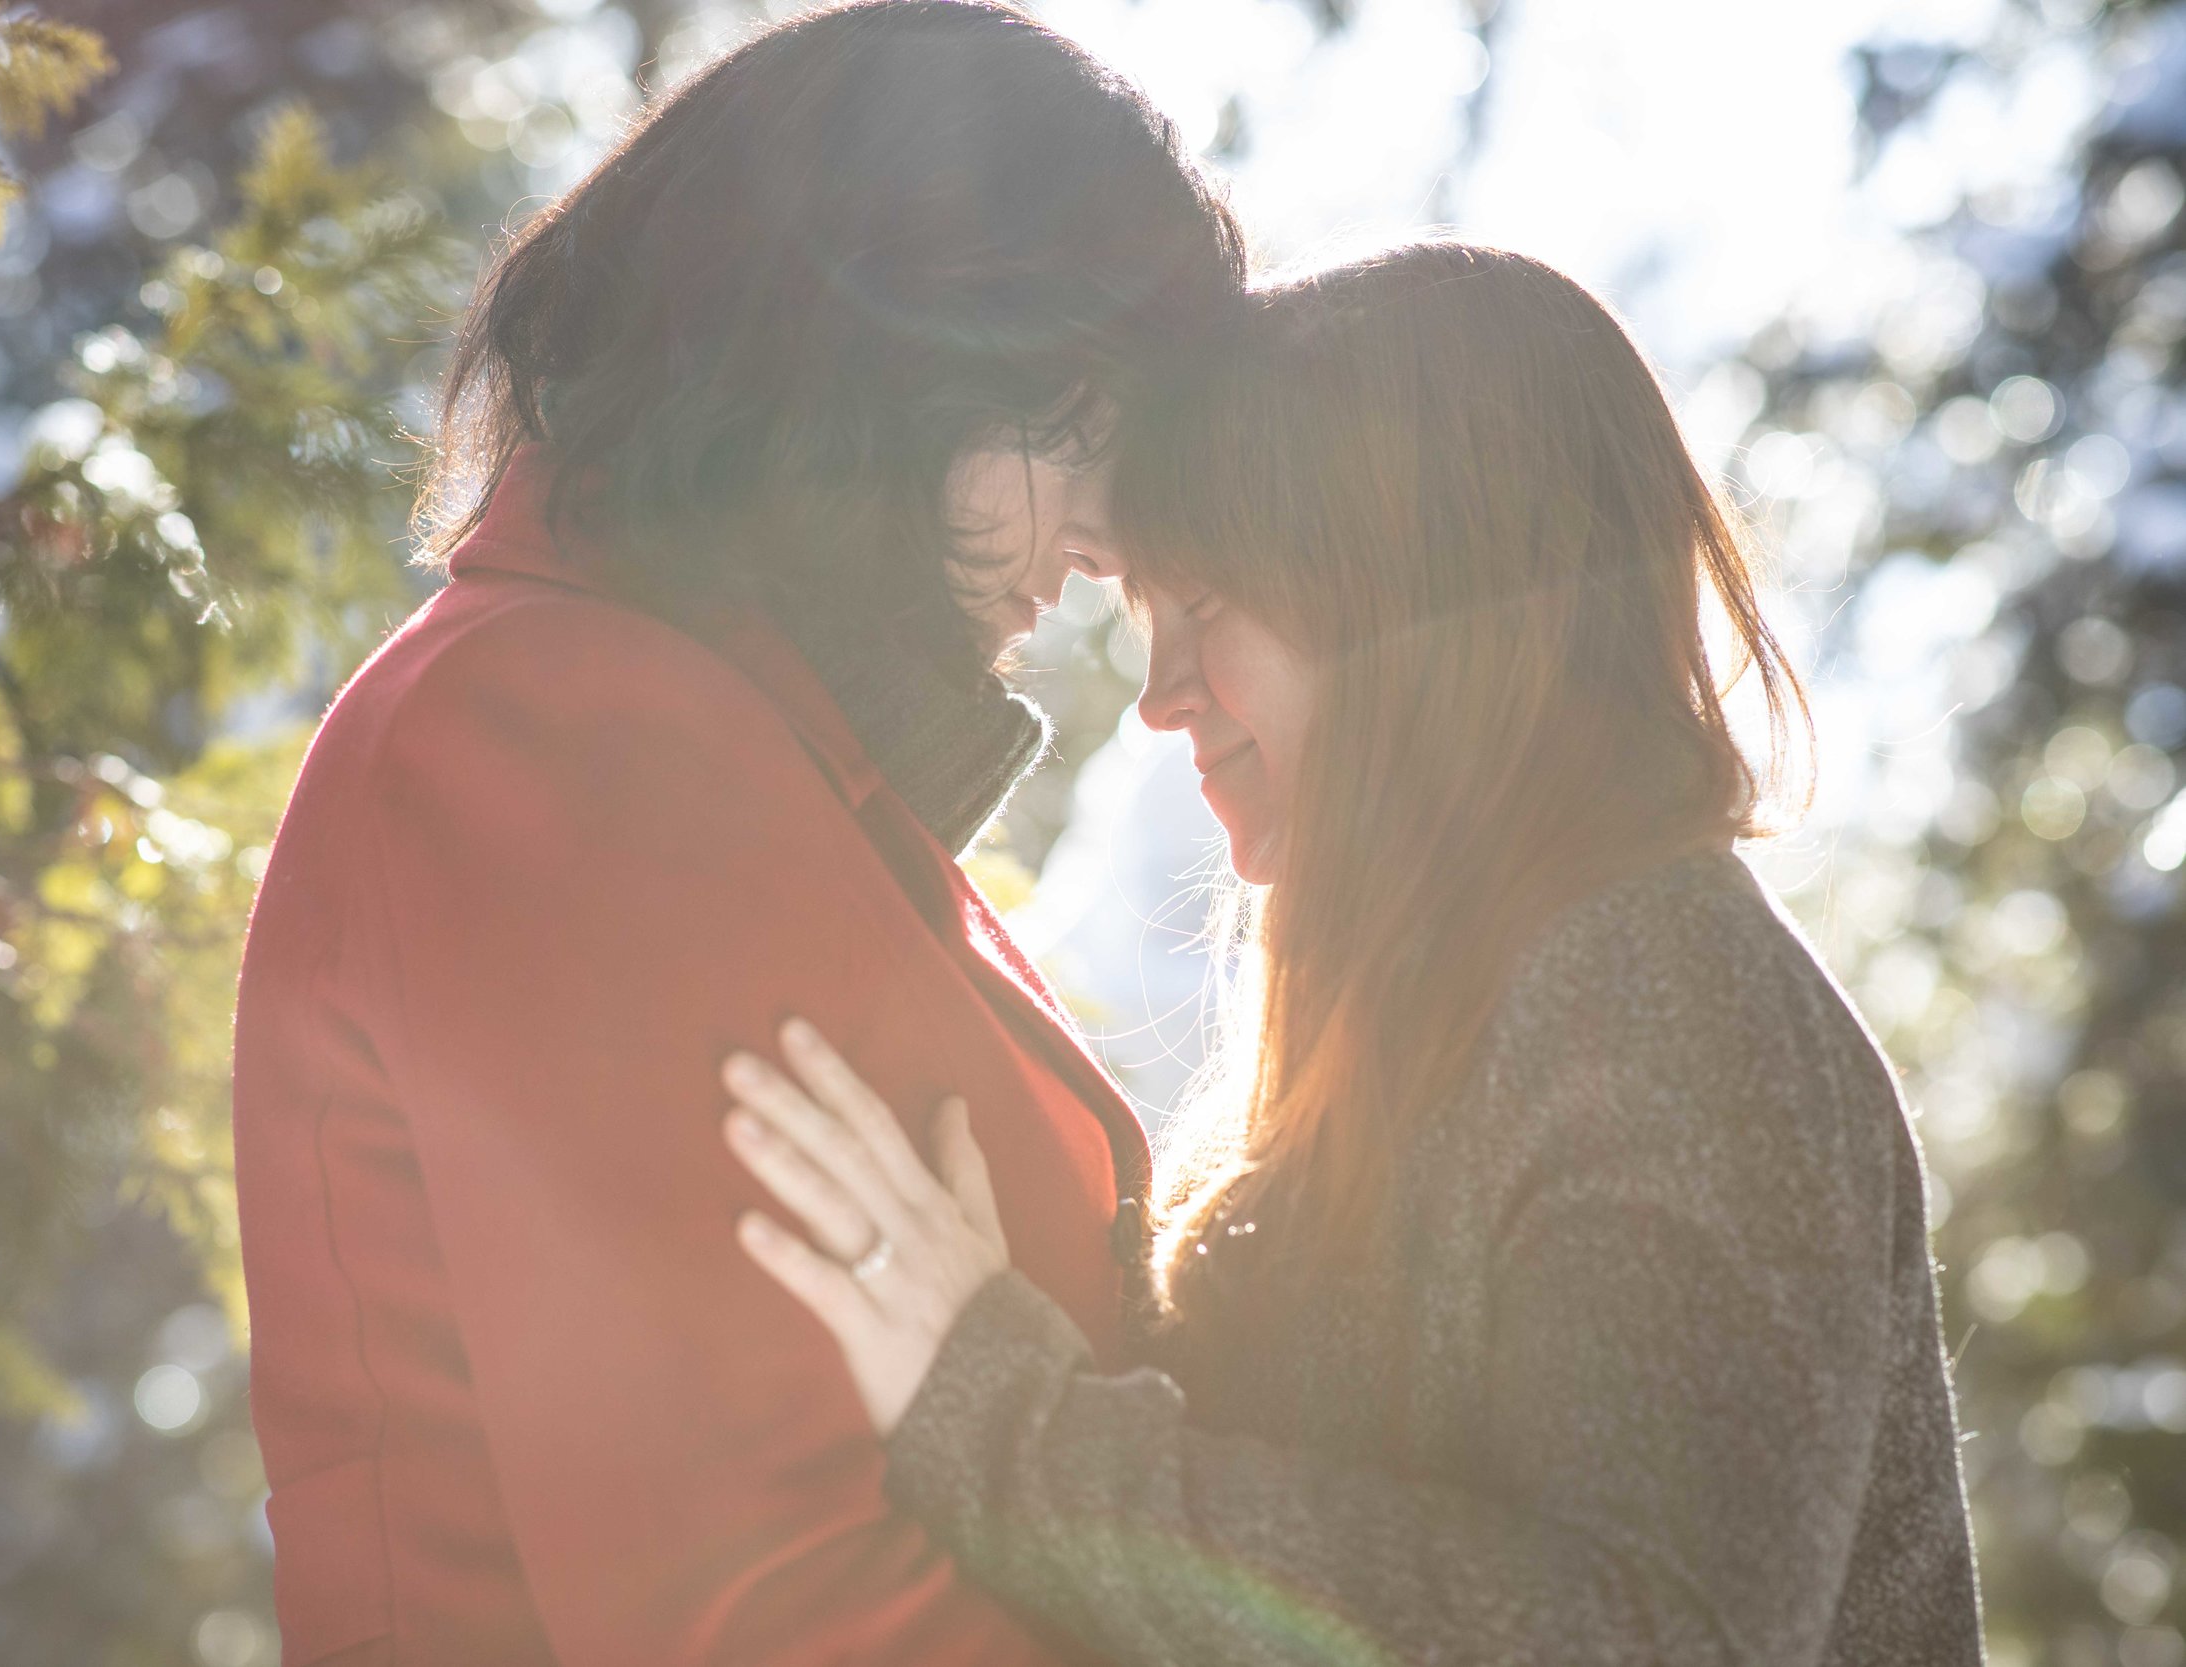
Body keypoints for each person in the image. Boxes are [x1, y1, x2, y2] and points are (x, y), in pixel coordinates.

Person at [721, 242, 1987, 1666]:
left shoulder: (1668, 995)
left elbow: (1643, 1634)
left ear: (1412, 607)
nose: (1159, 697)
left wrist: (1008, 1421)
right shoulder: (1417, 1014)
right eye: (1150, 615)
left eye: (1211, 606)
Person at [229, 3, 1242, 1661]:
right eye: (1101, 421)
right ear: (911, 346)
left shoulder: (741, 752)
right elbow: (777, 1597)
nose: (1122, 537)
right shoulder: (560, 746)